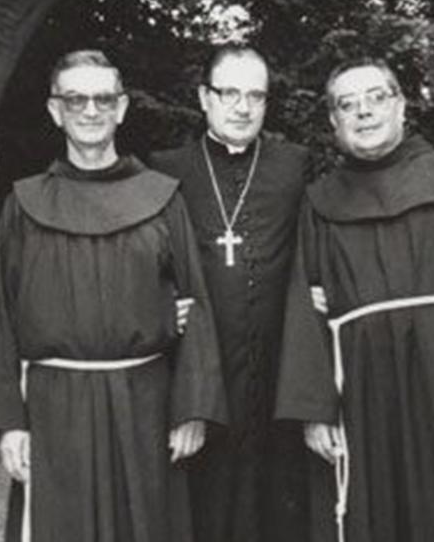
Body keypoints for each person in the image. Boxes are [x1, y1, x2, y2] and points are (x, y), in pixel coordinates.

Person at [0, 49, 227, 542]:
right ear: (55, 111)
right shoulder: (24, 204)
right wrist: (9, 424)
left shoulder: (161, 197)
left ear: (121, 108)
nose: (90, 111)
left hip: (145, 405)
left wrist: (192, 407)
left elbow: (194, 301)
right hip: (53, 410)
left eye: (103, 99)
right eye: (76, 100)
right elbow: (3, 317)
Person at [275, 57, 434, 542]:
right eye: (348, 104)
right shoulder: (320, 201)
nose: (363, 112)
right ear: (334, 121)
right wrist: (314, 410)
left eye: (376, 98)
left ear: (401, 106)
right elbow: (305, 306)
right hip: (362, 387)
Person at [148, 44, 308, 542]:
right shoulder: (165, 171)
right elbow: (150, 264)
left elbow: (315, 248)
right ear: (204, 98)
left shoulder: (293, 165)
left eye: (255, 96)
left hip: (276, 371)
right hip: (203, 373)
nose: (243, 107)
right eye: (229, 93)